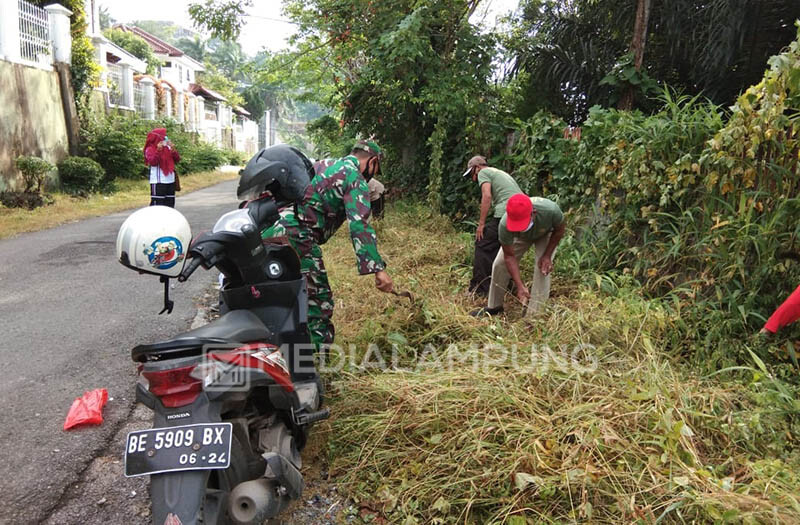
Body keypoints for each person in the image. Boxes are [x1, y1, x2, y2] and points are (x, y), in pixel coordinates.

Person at [262, 140, 394, 347]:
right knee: (318, 300)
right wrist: (378, 270)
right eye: (375, 170)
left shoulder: (323, 164)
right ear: (373, 161)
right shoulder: (354, 177)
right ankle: (316, 356)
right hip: (297, 235)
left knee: (287, 292)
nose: (373, 175)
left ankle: (278, 345)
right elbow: (359, 226)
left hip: (272, 228)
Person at [472, 193, 566, 317]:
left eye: (522, 223)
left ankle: (535, 315)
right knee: (499, 264)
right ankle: (494, 307)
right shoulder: (505, 225)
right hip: (521, 237)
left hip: (546, 232)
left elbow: (560, 230)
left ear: (533, 213)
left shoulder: (551, 211)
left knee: (543, 268)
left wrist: (547, 255)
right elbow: (509, 256)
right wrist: (519, 285)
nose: (520, 227)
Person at [462, 155, 522, 296]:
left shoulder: (484, 172)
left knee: (482, 243)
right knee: (502, 248)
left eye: (472, 174)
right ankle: (506, 286)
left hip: (506, 212)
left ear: (477, 168)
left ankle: (479, 288)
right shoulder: (499, 172)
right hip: (522, 212)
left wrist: (481, 224)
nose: (473, 179)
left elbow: (487, 196)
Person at [144, 128, 181, 208]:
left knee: (169, 205)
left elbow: (177, 159)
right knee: (158, 206)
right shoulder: (150, 149)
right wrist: (158, 150)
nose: (165, 138)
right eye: (163, 137)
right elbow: (153, 162)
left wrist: (173, 150)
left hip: (170, 180)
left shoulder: (168, 148)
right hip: (159, 181)